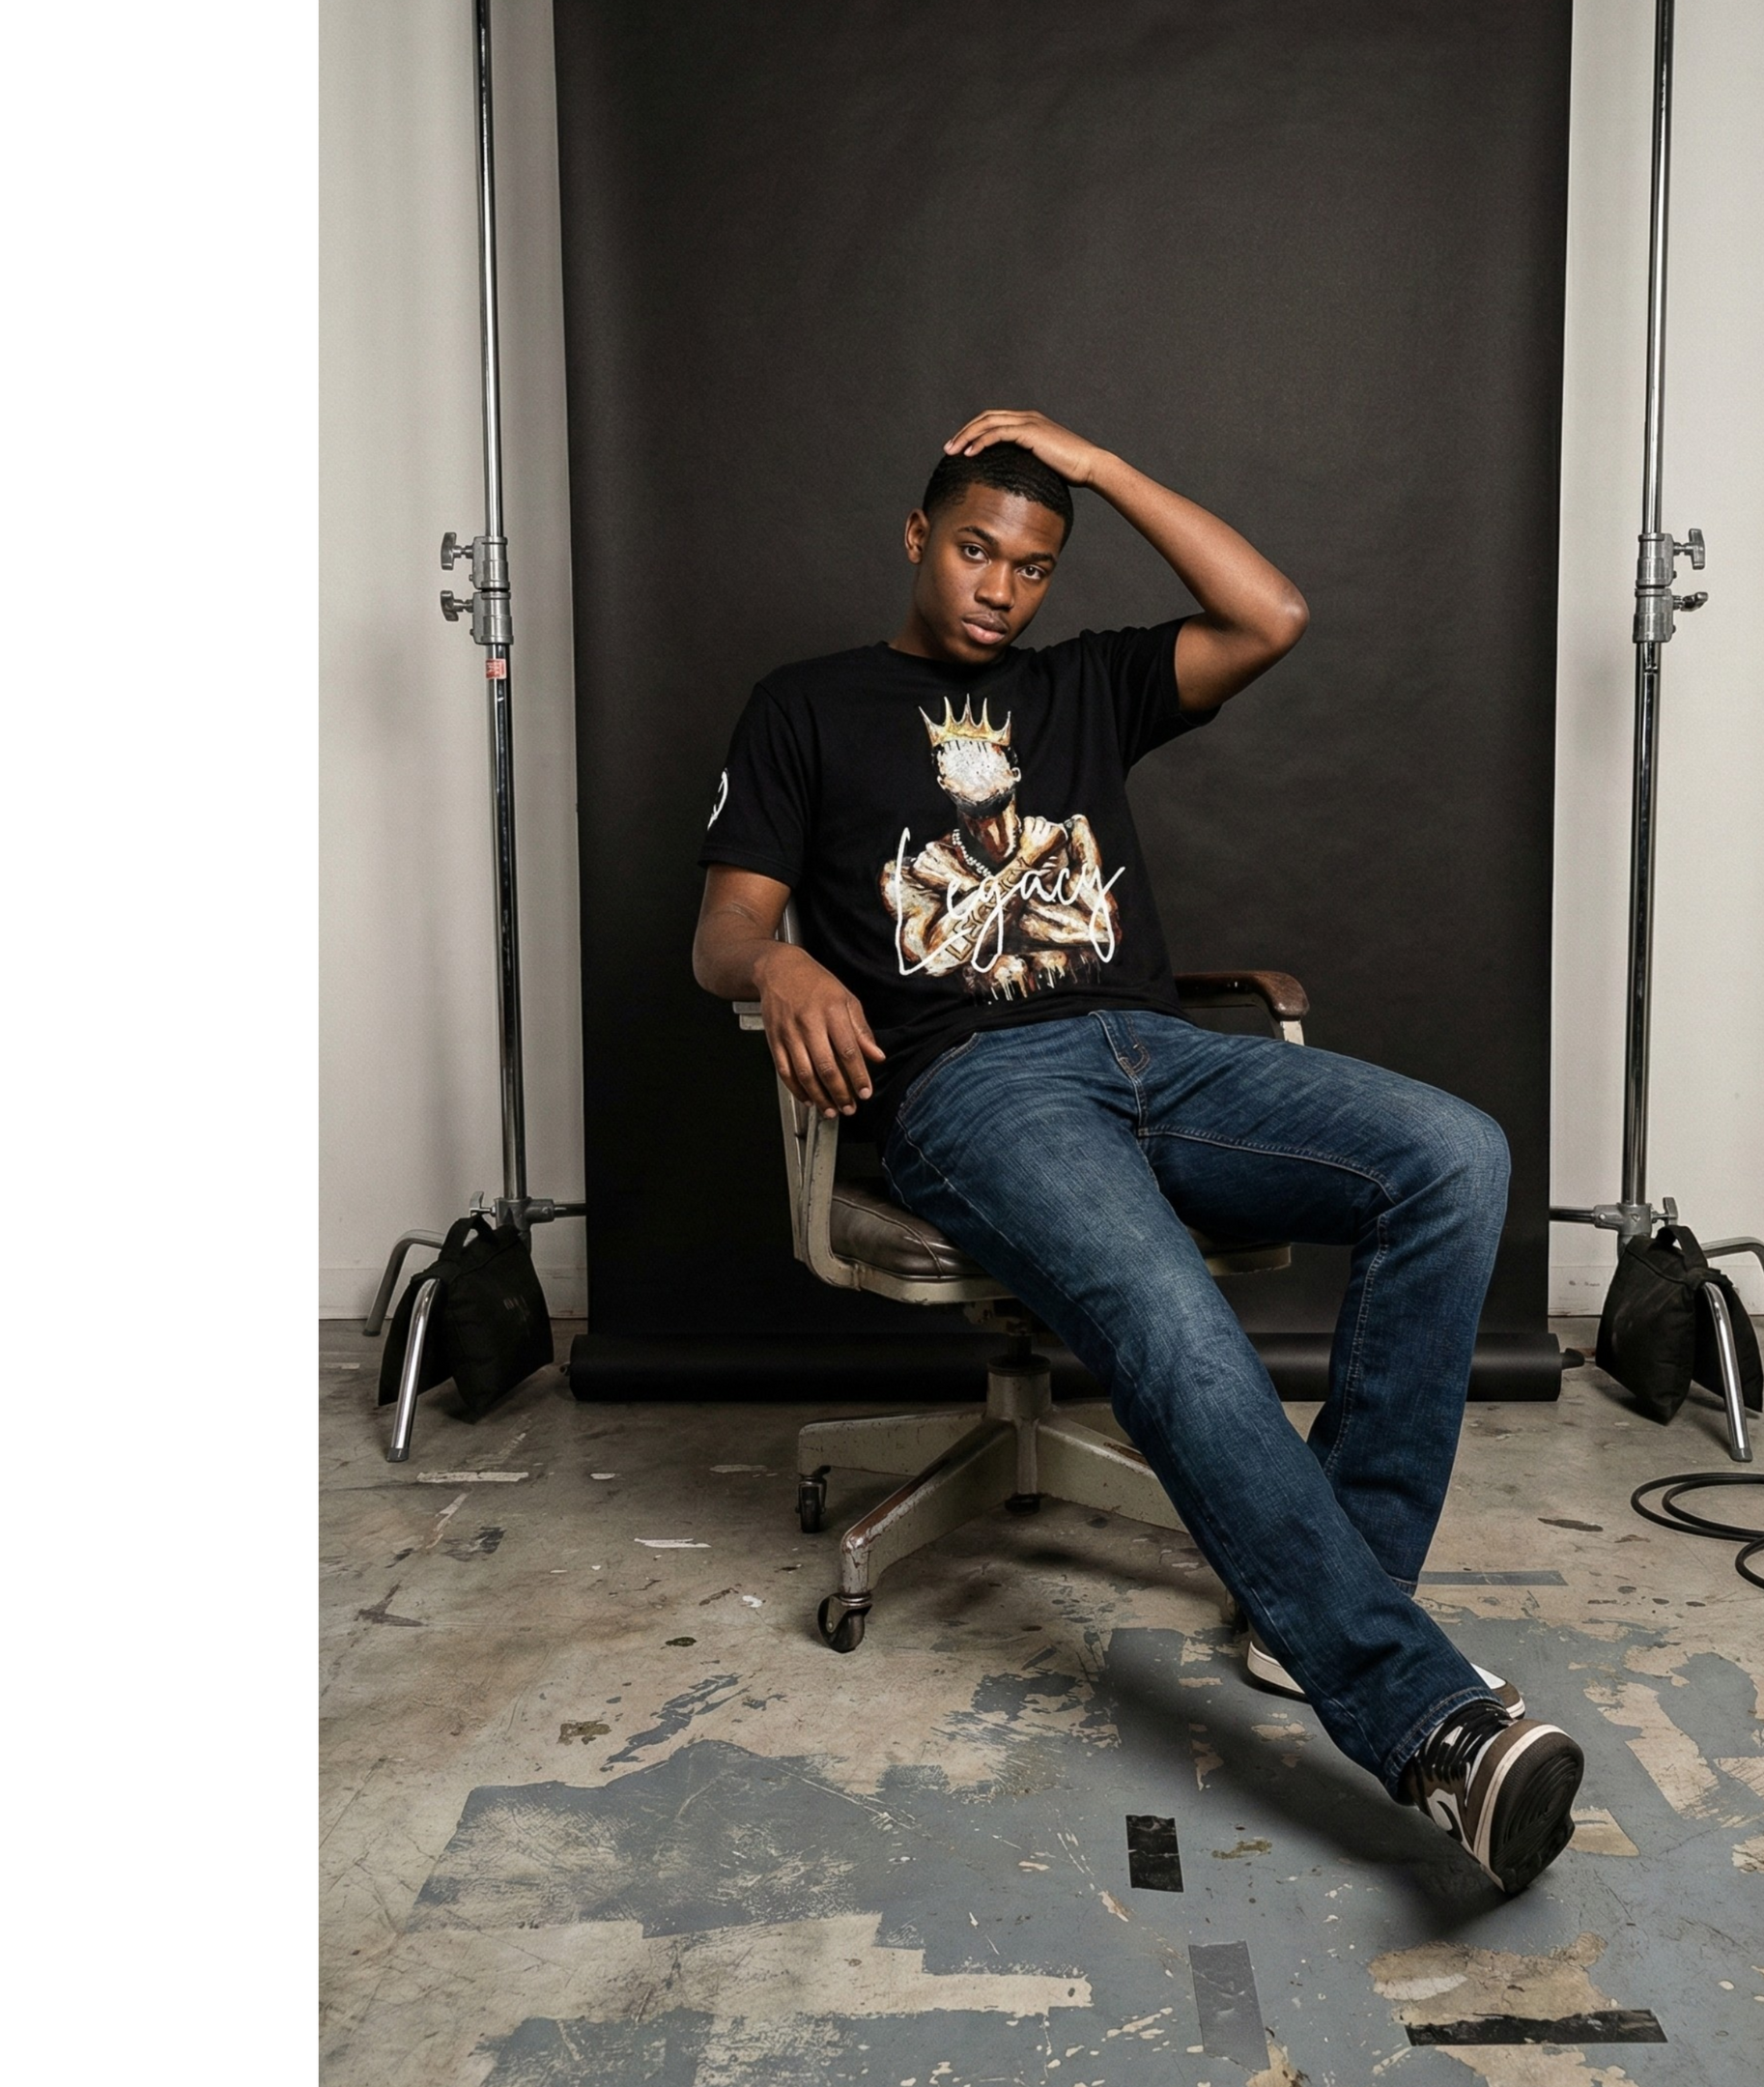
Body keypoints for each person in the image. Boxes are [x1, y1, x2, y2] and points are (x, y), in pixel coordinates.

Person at [690, 410, 1585, 1895]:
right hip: (970, 1090)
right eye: (975, 549)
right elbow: (723, 924)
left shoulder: (1085, 686)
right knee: (1170, 1308)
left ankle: (1332, 1597)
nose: (999, 587)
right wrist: (778, 967)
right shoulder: (807, 707)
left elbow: (1271, 614)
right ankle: (1429, 1725)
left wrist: (1096, 468)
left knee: (1458, 1156)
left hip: (1154, 1050)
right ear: (919, 539)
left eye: (1033, 566)